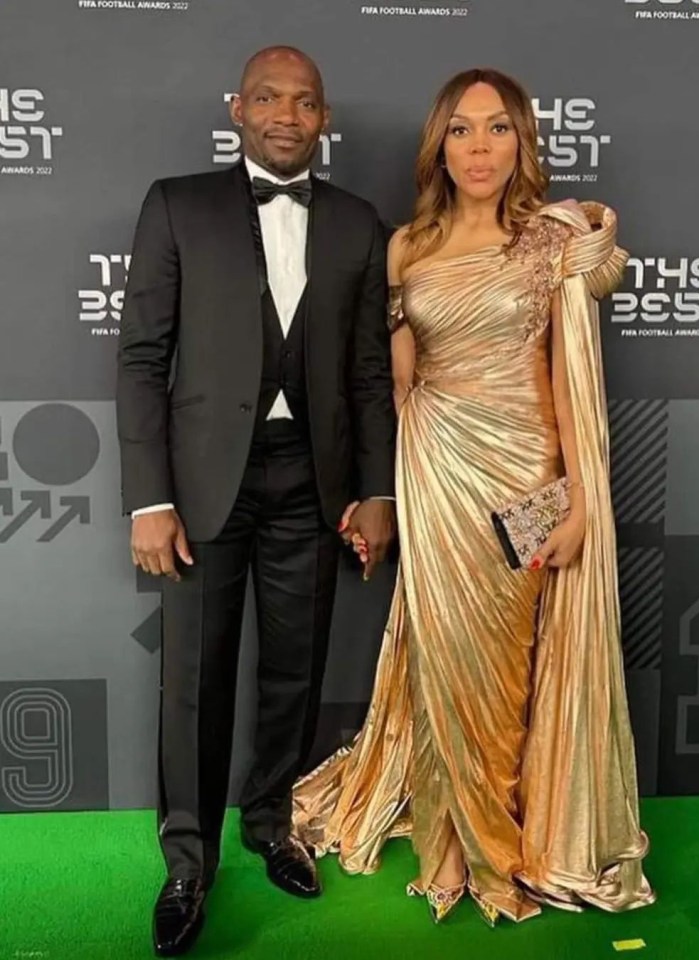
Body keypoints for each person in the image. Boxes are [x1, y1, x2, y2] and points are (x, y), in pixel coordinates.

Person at [293, 68, 655, 925]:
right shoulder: (406, 247)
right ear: (439, 145)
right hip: (435, 472)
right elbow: (399, 382)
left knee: (505, 668)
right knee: (446, 656)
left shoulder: (550, 241)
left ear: (523, 141)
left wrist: (579, 505)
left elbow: (571, 377)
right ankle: (460, 840)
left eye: (498, 128)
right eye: (462, 129)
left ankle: (505, 840)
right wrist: (376, 488)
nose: (480, 147)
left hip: (528, 476)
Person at [116, 46, 396, 956]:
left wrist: (375, 488)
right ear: (237, 107)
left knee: (295, 668)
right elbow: (142, 360)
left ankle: (271, 823)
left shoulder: (358, 223)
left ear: (324, 119)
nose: (287, 113)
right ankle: (188, 863)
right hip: (200, 490)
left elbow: (366, 376)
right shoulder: (176, 205)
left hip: (310, 484)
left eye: (306, 101)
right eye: (270, 97)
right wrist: (147, 499)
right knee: (195, 678)